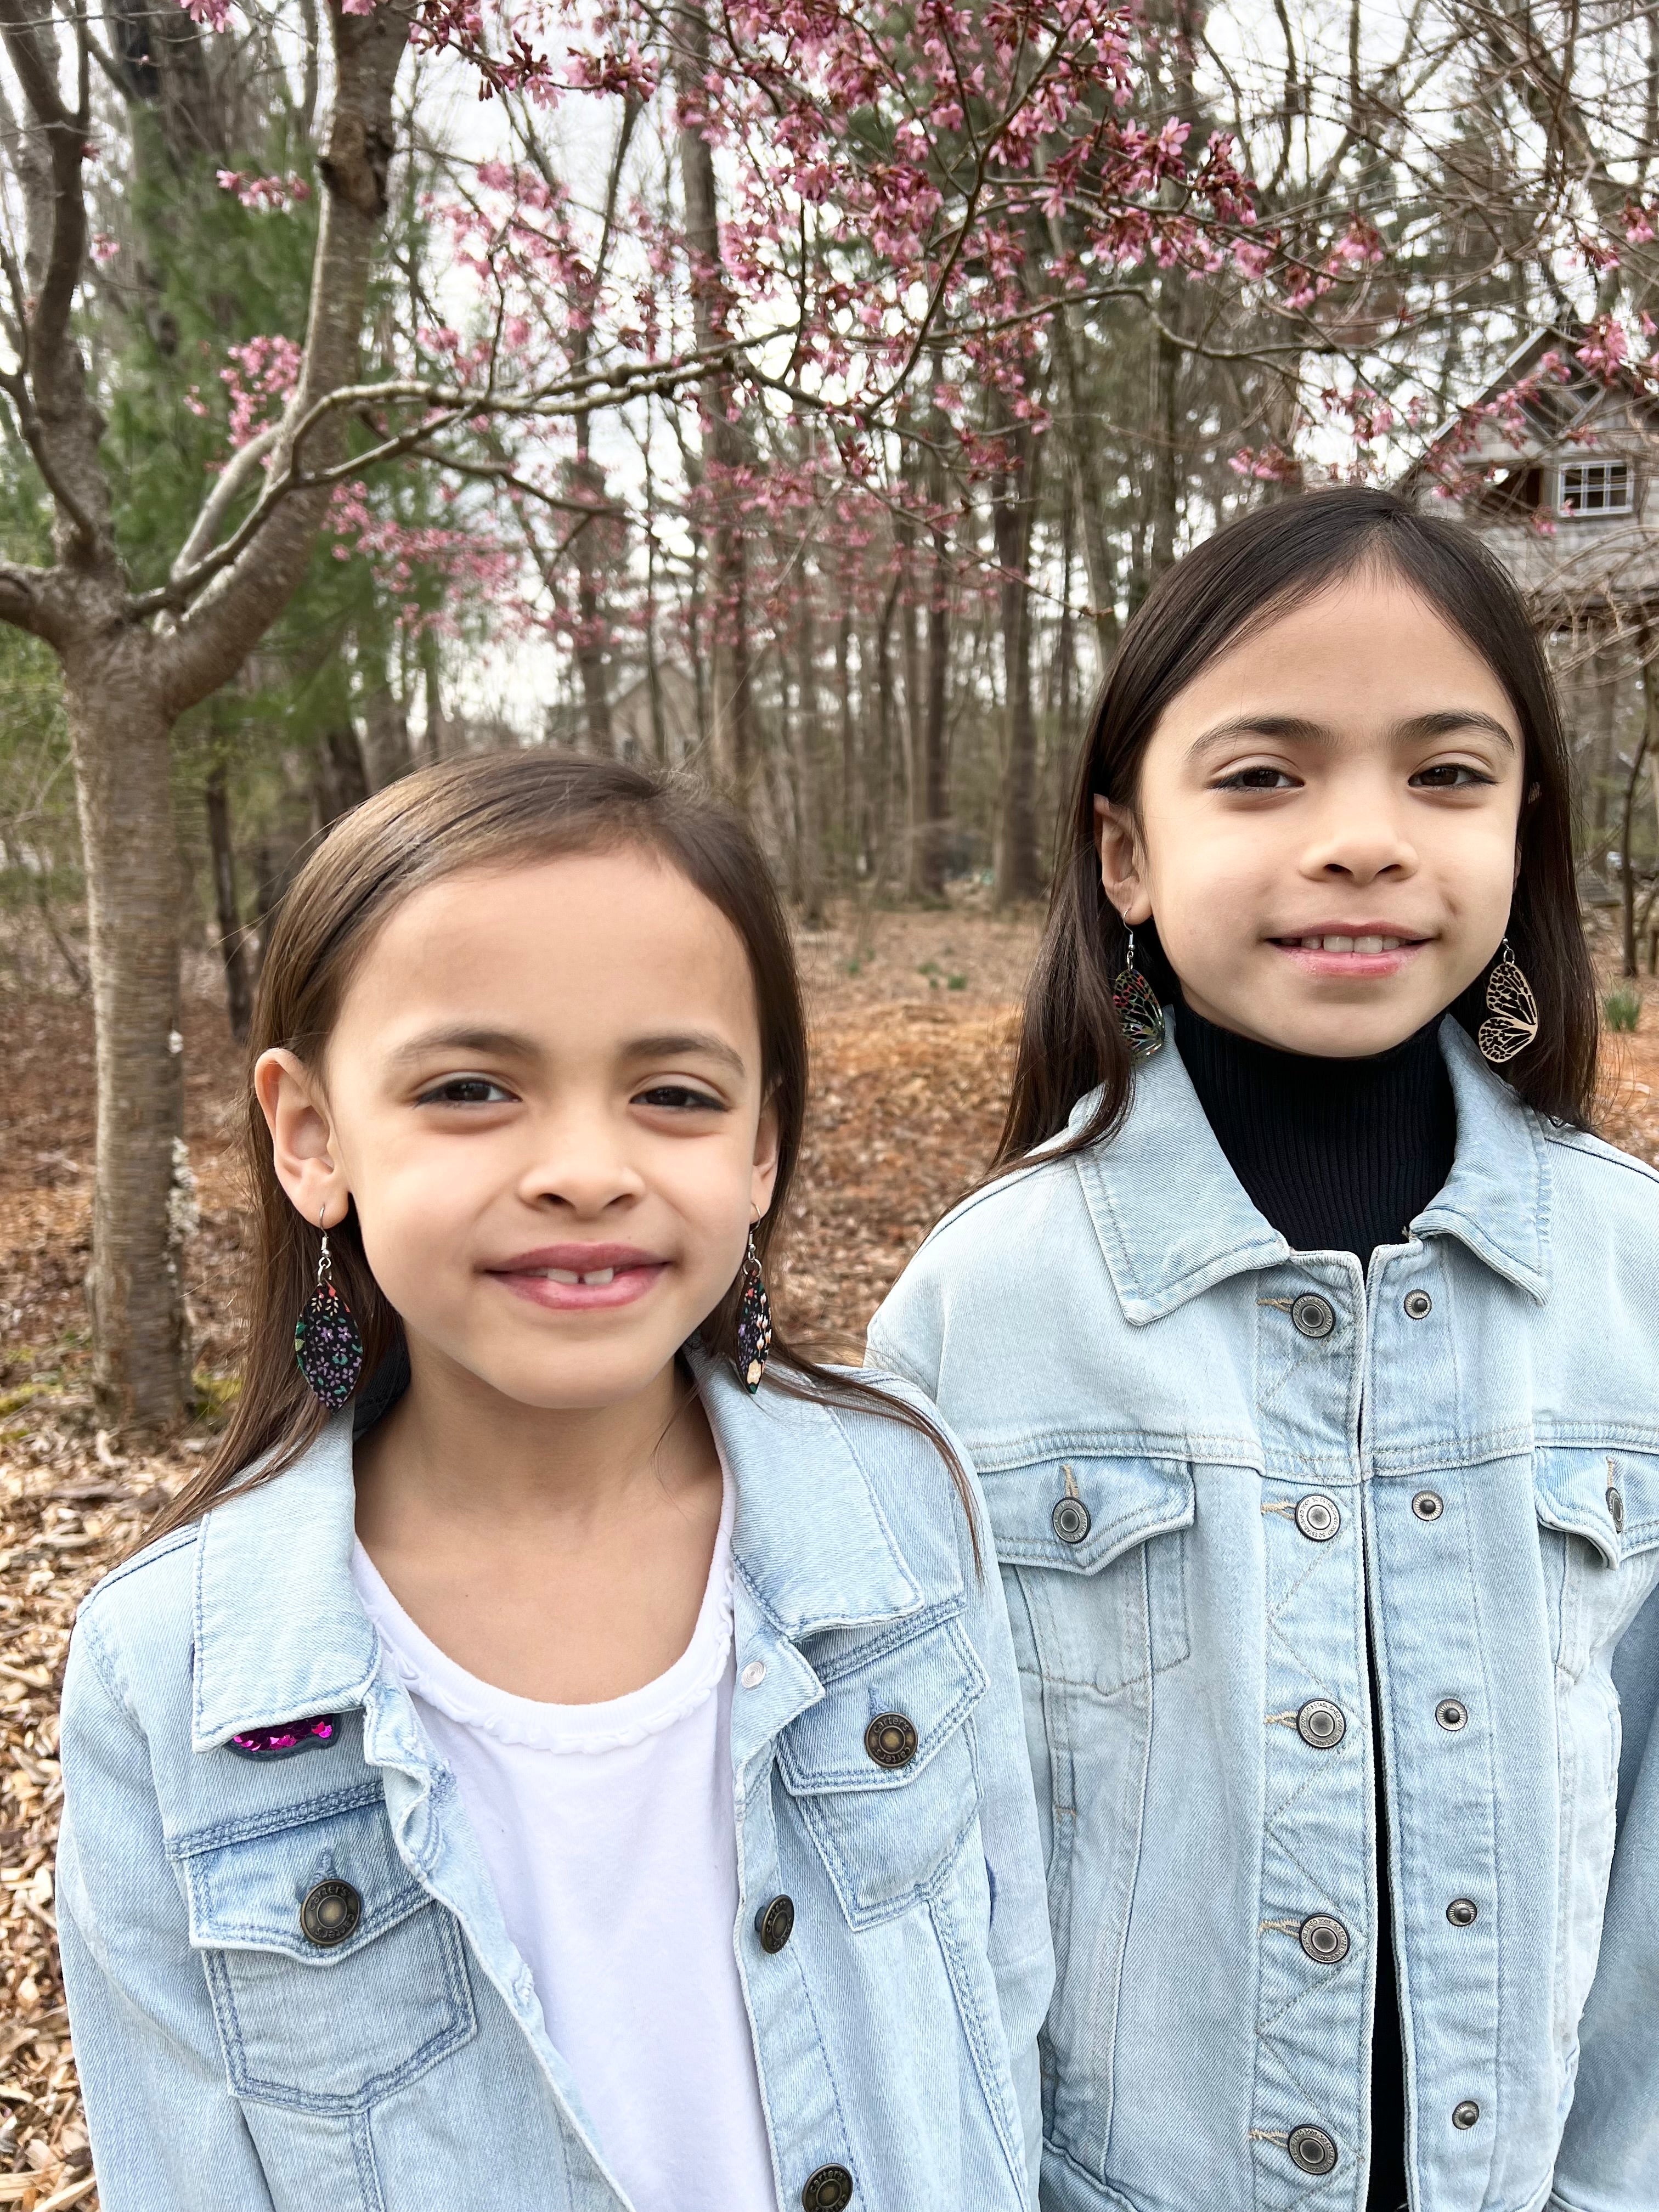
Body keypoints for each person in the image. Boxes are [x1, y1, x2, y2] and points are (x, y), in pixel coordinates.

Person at [57, 754, 1052, 2212]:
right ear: (312, 1134)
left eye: (671, 1093)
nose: (586, 1168)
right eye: (471, 1088)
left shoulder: (902, 1504)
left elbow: (1005, 1996)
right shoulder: (172, 1677)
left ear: (763, 1140)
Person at [868, 488, 1659, 2212]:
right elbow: (927, 1868)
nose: (1364, 838)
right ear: (1125, 854)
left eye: (1447, 775)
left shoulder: (1632, 1274)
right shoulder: (983, 1306)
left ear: (1526, 830)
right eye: (1264, 775)